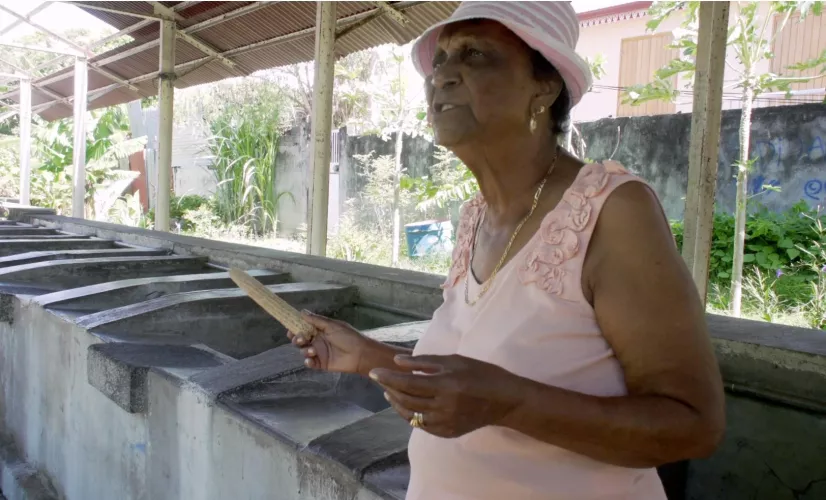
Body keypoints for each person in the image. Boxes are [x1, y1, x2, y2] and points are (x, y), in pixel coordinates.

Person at [288, 2, 725, 498]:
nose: (443, 77)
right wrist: (370, 356)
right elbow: (472, 379)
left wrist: (512, 404)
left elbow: (693, 425)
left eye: (475, 55)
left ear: (544, 86)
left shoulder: (611, 211)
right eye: (440, 61)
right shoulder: (476, 217)